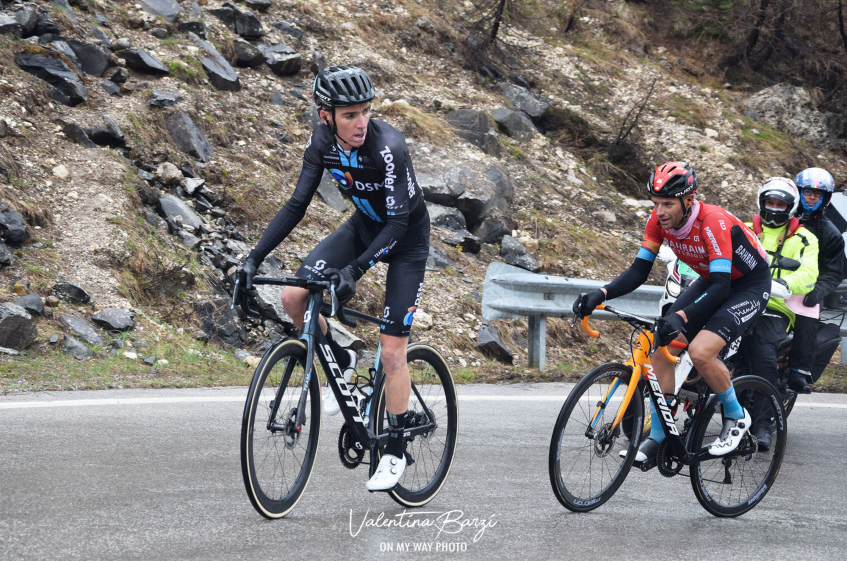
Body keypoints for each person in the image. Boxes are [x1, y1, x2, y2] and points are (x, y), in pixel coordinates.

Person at [236, 65, 430, 491]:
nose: (361, 123)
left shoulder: (388, 146)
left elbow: (398, 223)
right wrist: (253, 258)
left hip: (406, 241)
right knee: (293, 298)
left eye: (365, 111)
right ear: (326, 115)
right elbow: (296, 205)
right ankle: (341, 359)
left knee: (393, 352)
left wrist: (355, 270)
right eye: (349, 115)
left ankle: (395, 448)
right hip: (363, 225)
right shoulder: (321, 141)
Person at [573, 161, 771, 463]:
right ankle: (659, 437)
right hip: (712, 279)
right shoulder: (658, 222)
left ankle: (736, 417)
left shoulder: (712, 222)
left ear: (688, 200)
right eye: (656, 203)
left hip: (748, 285)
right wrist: (601, 293)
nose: (660, 211)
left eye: (667, 203)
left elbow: (721, 287)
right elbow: (639, 271)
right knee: (658, 347)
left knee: (701, 352)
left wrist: (682, 317)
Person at [741, 178, 818, 450]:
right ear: (761, 203)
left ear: (790, 207)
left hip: (775, 307)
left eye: (780, 204)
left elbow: (809, 273)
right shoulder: (744, 229)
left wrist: (786, 284)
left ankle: (762, 423)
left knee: (763, 353)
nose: (774, 208)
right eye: (770, 203)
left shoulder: (805, 238)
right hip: (741, 299)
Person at [786, 168, 845, 393]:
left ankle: (798, 372)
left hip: (805, 288)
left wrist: (817, 291)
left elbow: (833, 272)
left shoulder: (831, 234)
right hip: (772, 280)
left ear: (826, 198)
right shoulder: (780, 216)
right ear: (798, 191)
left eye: (817, 194)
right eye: (808, 191)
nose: (812, 197)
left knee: (806, 313)